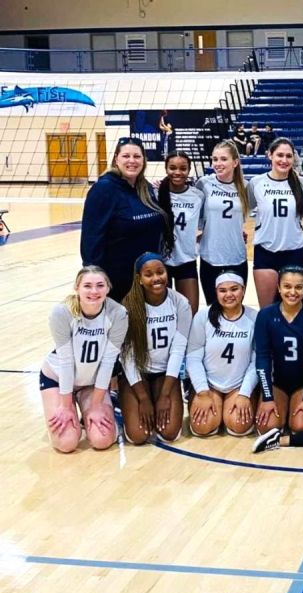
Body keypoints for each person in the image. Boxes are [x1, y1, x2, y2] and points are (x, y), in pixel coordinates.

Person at [40, 266, 129, 453]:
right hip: (57, 379)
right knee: (66, 443)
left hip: (90, 383)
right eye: (87, 286)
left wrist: (96, 406)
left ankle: (93, 407)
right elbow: (65, 362)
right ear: (77, 288)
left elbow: (108, 362)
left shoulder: (118, 314)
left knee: (102, 440)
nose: (94, 291)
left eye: (100, 285)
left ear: (108, 288)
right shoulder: (61, 313)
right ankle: (68, 406)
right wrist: (65, 406)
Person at [80, 136, 172, 302]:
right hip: (118, 282)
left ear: (144, 160)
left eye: (137, 156)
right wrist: (94, 279)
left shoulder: (146, 188)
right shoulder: (104, 189)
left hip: (148, 279)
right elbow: (91, 239)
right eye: (126, 156)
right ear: (116, 159)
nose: (132, 161)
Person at [119, 253, 191, 444]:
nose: (156, 278)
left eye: (160, 272)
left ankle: (158, 393)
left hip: (164, 375)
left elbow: (178, 350)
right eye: (148, 274)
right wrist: (143, 398)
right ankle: (123, 401)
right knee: (138, 436)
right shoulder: (127, 307)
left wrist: (165, 395)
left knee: (169, 432)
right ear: (139, 279)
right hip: (136, 375)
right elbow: (127, 357)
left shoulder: (180, 303)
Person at [252, 266, 303, 442]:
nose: (292, 292)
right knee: (267, 427)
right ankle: (281, 409)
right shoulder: (266, 315)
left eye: (298, 287)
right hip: (277, 383)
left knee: (302, 426)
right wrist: (267, 397)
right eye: (287, 286)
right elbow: (262, 358)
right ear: (278, 287)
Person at [185, 272, 259, 437]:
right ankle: (201, 398)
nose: (229, 295)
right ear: (216, 292)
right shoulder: (204, 316)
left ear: (243, 290)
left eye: (234, 289)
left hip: (238, 384)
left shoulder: (254, 317)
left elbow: (257, 360)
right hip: (210, 384)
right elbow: (193, 356)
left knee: (239, 425)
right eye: (223, 290)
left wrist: (245, 393)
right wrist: (202, 391)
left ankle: (242, 401)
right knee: (202, 426)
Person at [247, 138, 303, 307]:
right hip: (265, 251)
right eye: (279, 155)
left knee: (294, 308)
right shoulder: (257, 183)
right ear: (270, 155)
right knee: (268, 310)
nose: (284, 160)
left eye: (288, 156)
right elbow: (244, 210)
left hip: (294, 251)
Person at [195, 140, 250, 305]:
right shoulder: (203, 184)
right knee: (213, 309)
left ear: (235, 162)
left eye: (223, 159)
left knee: (234, 308)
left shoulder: (246, 187)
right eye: (215, 159)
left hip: (237, 257)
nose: (218, 164)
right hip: (210, 257)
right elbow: (194, 215)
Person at [158, 150, 203, 314]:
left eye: (183, 168)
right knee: (164, 313)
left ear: (189, 170)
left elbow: (208, 223)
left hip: (186, 261)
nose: (177, 172)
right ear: (166, 169)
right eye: (172, 168)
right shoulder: (155, 194)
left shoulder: (198, 196)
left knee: (190, 312)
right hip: (161, 262)